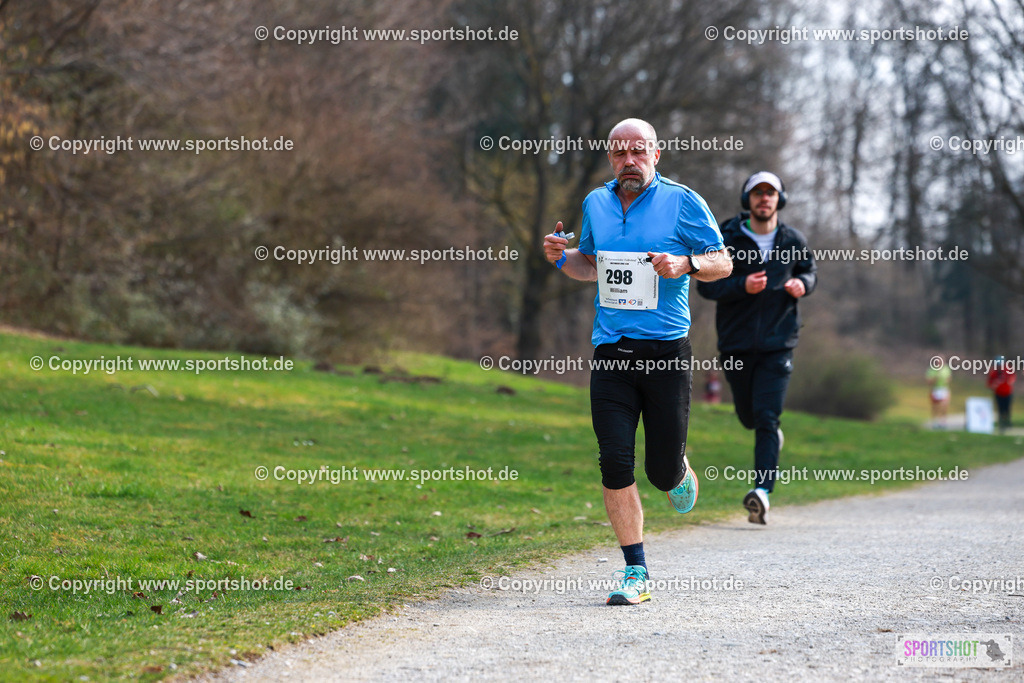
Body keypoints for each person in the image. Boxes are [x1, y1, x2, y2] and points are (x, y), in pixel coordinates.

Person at [543, 118, 731, 605]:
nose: (630, 160)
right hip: (611, 351)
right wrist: (561, 258)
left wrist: (686, 263)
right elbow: (591, 265)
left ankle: (677, 472)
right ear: (610, 158)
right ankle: (636, 571)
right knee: (614, 460)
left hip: (666, 352)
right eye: (620, 152)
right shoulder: (596, 203)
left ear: (656, 153)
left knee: (660, 471)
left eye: (639, 151)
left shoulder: (683, 202)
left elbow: (723, 261)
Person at [696, 171, 816, 525]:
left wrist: (802, 284)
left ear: (780, 199)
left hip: (779, 344)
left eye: (771, 193)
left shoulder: (793, 239)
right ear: (747, 200)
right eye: (757, 193)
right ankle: (769, 439)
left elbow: (811, 272)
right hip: (735, 344)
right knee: (748, 416)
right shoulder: (726, 236)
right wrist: (740, 285)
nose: (765, 199)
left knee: (766, 417)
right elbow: (706, 287)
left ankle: (761, 492)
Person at [987, 356, 1016, 433]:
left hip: (1007, 393)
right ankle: (1001, 424)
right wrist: (993, 385)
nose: (999, 366)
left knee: (1007, 409)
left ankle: (1008, 423)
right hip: (998, 393)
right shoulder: (993, 372)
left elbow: (1012, 377)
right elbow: (989, 384)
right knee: (1000, 409)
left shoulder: (1007, 369)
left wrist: (1010, 381)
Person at [926, 356, 952, 429]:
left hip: (944, 389)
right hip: (935, 389)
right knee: (935, 406)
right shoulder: (932, 370)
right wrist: (935, 378)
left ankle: (942, 422)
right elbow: (929, 381)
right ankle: (935, 422)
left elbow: (949, 378)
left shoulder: (946, 369)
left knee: (944, 406)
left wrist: (946, 380)